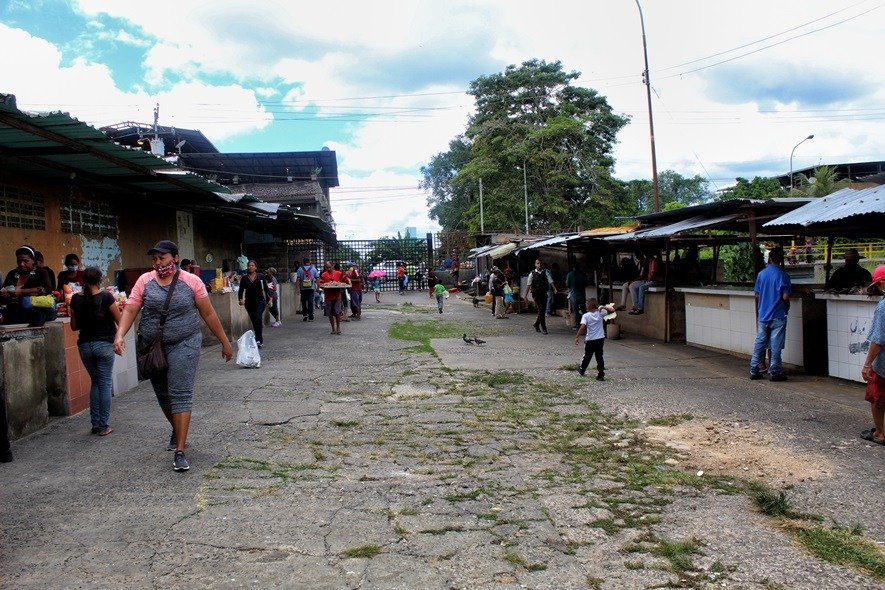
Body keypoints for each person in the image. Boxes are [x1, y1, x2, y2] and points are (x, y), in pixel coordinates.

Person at [114, 240, 233, 472]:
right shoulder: (144, 281)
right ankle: (177, 429)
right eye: (154, 259)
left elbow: (208, 313)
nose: (158, 263)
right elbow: (129, 309)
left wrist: (225, 342)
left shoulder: (191, 281)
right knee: (163, 395)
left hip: (185, 343)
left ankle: (180, 450)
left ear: (175, 258)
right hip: (152, 347)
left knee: (180, 392)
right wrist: (119, 335)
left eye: (163, 258)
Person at [69, 267, 122, 437]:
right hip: (105, 345)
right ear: (99, 279)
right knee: (105, 384)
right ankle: (104, 425)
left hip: (85, 346)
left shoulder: (75, 299)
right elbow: (120, 321)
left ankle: (95, 424)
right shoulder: (106, 296)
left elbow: (74, 326)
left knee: (96, 382)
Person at [749, 247, 791, 382]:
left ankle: (754, 370)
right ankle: (775, 372)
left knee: (759, 343)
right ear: (780, 259)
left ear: (770, 258)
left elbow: (757, 295)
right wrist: (787, 307)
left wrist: (760, 309)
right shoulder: (783, 275)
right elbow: (785, 297)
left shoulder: (761, 275)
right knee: (775, 345)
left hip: (763, 315)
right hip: (778, 315)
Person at [860, 265, 885, 445]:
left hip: (883, 364)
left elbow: (878, 339)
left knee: (877, 396)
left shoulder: (883, 306)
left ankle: (880, 433)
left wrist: (867, 363)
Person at [1, 245, 56, 327]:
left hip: (35, 311)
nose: (21, 264)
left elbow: (47, 289)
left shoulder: (41, 273)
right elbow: (5, 289)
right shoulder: (12, 273)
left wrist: (22, 292)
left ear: (33, 260)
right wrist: (5, 294)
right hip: (14, 312)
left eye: (25, 261)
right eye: (19, 261)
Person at [575, 298, 615, 381]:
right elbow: (612, 310)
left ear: (589, 306)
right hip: (600, 339)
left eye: (586, 304)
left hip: (590, 339)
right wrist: (603, 307)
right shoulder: (600, 313)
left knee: (587, 356)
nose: (585, 306)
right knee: (599, 356)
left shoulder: (585, 316)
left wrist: (577, 336)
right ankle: (601, 374)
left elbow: (582, 327)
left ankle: (582, 369)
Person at [238, 260, 272, 348]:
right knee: (255, 321)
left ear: (255, 267)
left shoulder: (260, 276)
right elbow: (241, 290)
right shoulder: (244, 278)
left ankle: (259, 340)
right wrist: (240, 299)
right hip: (249, 302)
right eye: (249, 265)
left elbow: (266, 287)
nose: (251, 267)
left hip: (260, 301)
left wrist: (270, 297)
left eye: (252, 265)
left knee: (257, 318)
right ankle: (257, 338)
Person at [524, 258, 557, 334]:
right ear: (535, 264)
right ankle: (544, 328)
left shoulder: (546, 272)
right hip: (536, 294)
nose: (539, 265)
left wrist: (554, 288)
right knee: (541, 310)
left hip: (544, 294)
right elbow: (528, 285)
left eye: (540, 263)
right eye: (537, 263)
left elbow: (550, 281)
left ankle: (536, 324)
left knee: (542, 311)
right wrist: (525, 296)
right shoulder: (532, 274)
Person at [318, 261, 346, 335]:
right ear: (325, 267)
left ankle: (338, 327)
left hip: (337, 295)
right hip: (328, 296)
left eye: (330, 267)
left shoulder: (338, 273)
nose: (329, 269)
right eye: (327, 267)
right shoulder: (324, 274)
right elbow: (320, 283)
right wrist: (323, 285)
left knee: (337, 312)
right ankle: (333, 328)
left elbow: (345, 280)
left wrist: (341, 283)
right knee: (330, 313)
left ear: (332, 266)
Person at [566, 265, 588, 330]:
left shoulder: (570, 274)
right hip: (582, 295)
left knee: (576, 311)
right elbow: (586, 283)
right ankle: (585, 324)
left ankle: (578, 325)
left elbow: (567, 284)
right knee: (583, 310)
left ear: (573, 268)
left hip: (574, 295)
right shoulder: (583, 274)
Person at [295, 257, 318, 322]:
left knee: (304, 302)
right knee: (310, 302)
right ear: (309, 262)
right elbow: (317, 278)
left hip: (303, 288)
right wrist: (318, 287)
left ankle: (305, 315)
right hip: (311, 288)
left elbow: (298, 280)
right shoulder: (313, 269)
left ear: (303, 262)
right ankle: (311, 317)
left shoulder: (300, 269)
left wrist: (298, 289)